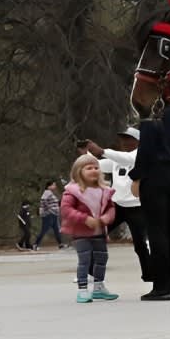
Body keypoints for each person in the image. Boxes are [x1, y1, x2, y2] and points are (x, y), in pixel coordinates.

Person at [131, 96, 170, 301]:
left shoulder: (153, 110)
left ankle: (162, 286)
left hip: (155, 173)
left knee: (157, 231)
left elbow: (146, 148)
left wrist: (136, 176)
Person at [81, 128, 149, 282]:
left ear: (138, 142)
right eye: (123, 139)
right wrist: (87, 154)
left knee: (140, 244)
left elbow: (128, 159)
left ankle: (149, 273)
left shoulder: (140, 155)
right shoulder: (116, 160)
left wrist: (102, 151)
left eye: (129, 139)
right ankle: (90, 272)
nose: (125, 142)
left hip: (137, 207)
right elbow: (97, 164)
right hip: (117, 206)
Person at [60, 153, 119, 303]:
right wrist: (84, 219)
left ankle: (98, 287)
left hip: (99, 232)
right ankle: (82, 289)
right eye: (89, 168)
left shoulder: (104, 190)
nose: (94, 170)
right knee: (85, 260)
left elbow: (111, 208)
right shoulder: (73, 191)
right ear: (78, 172)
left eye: (96, 167)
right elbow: (66, 210)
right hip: (81, 233)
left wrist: (106, 218)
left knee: (102, 258)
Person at [33, 179, 65, 249]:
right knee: (44, 230)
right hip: (49, 215)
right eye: (53, 185)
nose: (55, 186)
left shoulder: (51, 193)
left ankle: (61, 244)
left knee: (56, 230)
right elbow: (43, 200)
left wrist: (61, 201)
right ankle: (35, 244)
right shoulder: (47, 192)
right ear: (49, 186)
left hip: (54, 214)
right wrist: (49, 210)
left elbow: (55, 203)